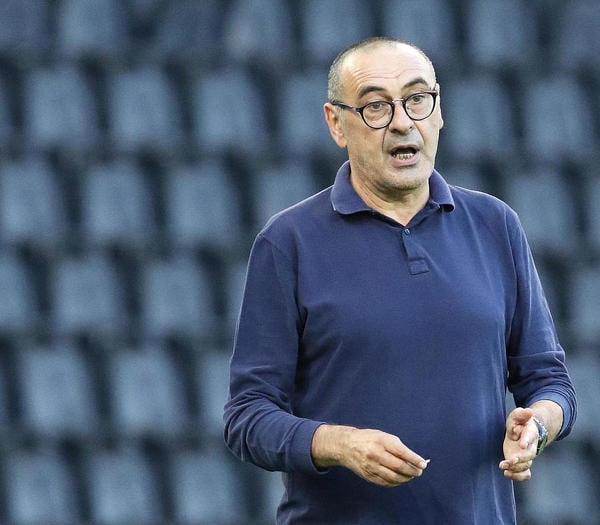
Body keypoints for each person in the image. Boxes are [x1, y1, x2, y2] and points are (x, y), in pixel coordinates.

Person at [224, 37, 576, 524]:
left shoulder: (495, 225)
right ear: (336, 123)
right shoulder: (288, 243)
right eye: (375, 106)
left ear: (438, 112)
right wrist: (338, 444)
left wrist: (538, 423)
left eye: (416, 99)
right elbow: (247, 418)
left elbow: (551, 383)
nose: (402, 121)